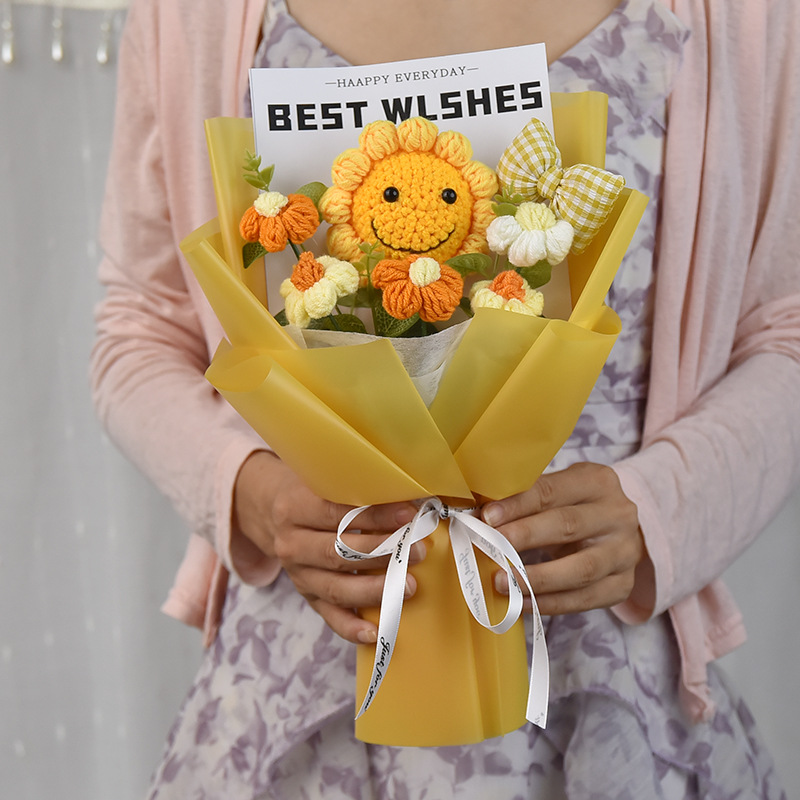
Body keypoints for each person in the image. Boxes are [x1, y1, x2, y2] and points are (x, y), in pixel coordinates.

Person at [90, 0, 800, 797]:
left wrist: (660, 510)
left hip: (608, 686)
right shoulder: (193, 15)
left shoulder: (745, 15)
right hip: (301, 687)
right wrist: (248, 492)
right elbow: (139, 328)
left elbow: (784, 329)